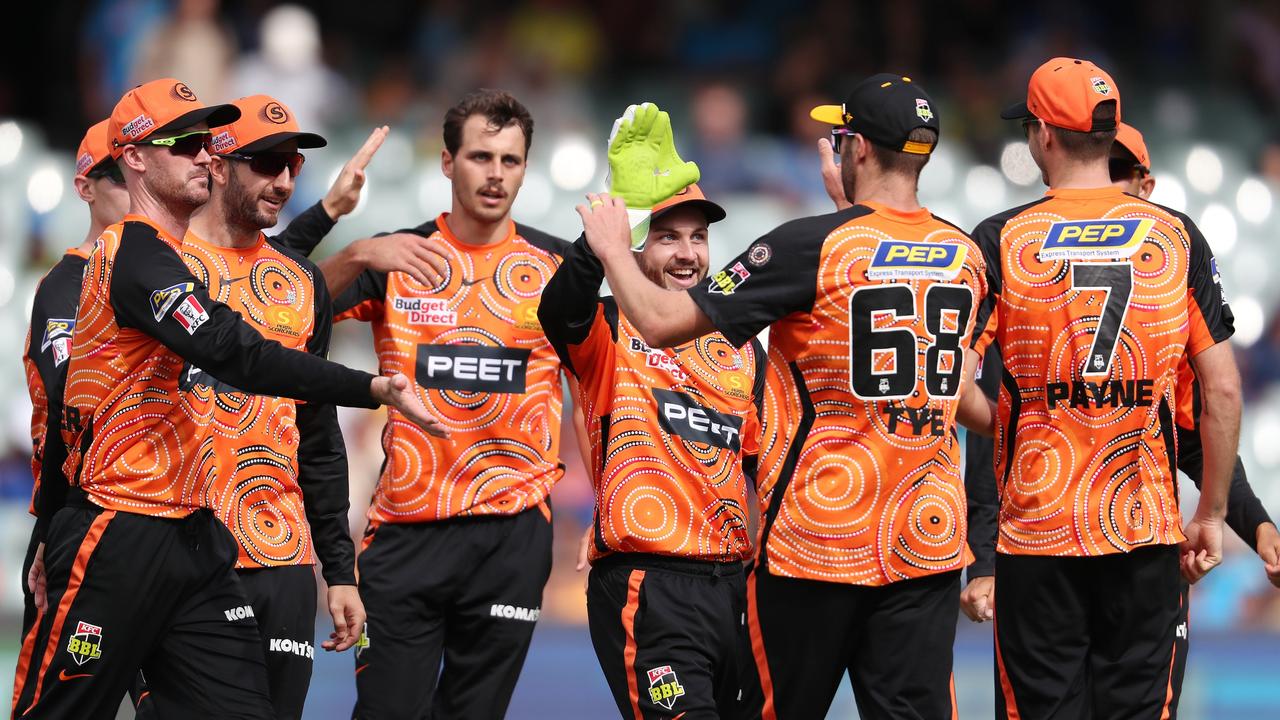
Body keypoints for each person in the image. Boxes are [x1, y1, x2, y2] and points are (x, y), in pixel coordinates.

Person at [9, 77, 443, 719]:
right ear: (132, 159)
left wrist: (329, 221)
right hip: (119, 523)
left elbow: (264, 289)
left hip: (207, 537)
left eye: (205, 144)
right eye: (183, 145)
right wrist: (371, 386)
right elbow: (231, 345)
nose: (201, 156)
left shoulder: (195, 262)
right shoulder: (126, 255)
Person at [576, 76, 992, 719]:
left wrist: (610, 250)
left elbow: (659, 322)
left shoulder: (808, 245)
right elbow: (968, 400)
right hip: (923, 540)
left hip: (818, 541)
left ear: (855, 149)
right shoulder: (965, 257)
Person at [961, 120, 1278, 710]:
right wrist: (982, 558)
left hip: (1046, 538)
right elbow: (1217, 401)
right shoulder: (1171, 249)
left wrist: (1250, 521)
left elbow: (1188, 433)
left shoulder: (1013, 249)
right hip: (1133, 538)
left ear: (1145, 182)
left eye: (1119, 173)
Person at [325, 88, 577, 719]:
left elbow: (610, 378)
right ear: (446, 162)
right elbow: (280, 311)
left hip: (510, 536)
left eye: (510, 161)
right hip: (407, 533)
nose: (495, 175)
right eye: (480, 156)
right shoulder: (394, 256)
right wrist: (355, 252)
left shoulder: (558, 267)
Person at [126, 94, 363, 720]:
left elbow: (318, 434)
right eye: (266, 163)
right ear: (220, 165)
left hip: (280, 555)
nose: (284, 181)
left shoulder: (302, 283)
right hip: (177, 549)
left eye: (293, 166)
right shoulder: (157, 268)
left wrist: (339, 569)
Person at [541, 147, 763, 718]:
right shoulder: (609, 327)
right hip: (649, 584)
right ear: (635, 246)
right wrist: (599, 247)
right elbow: (558, 310)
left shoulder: (742, 350)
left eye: (698, 238)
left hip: (734, 591)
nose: (688, 254)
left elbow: (758, 472)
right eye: (667, 237)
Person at [12, 119, 129, 705]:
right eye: (118, 175)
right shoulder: (66, 285)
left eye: (145, 170)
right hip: (87, 520)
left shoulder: (183, 276)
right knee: (63, 701)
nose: (137, 187)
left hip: (172, 528)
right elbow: (72, 399)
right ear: (86, 186)